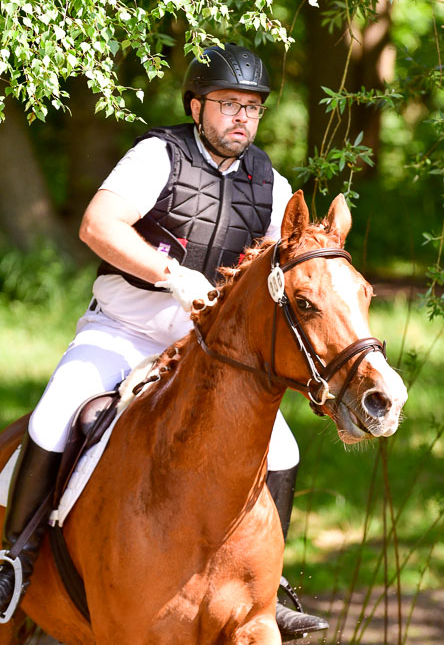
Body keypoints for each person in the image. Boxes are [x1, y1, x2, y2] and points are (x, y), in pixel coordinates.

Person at [0, 43, 328, 639]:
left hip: (202, 353)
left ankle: (268, 588)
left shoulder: (272, 185)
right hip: (121, 332)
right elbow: (97, 225)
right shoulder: (158, 155)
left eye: (252, 107)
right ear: (197, 106)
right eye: (228, 104)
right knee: (52, 418)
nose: (242, 118)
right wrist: (171, 275)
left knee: (283, 450)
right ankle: (13, 564)